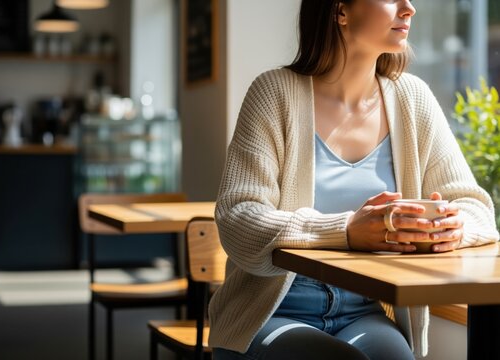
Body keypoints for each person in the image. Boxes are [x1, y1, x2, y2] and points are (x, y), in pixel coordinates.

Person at [209, 1, 500, 359]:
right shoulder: (274, 93)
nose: (408, 9)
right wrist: (346, 230)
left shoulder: (413, 98)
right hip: (269, 312)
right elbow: (238, 217)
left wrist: (454, 227)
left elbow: (478, 209)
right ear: (340, 11)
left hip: (363, 311)